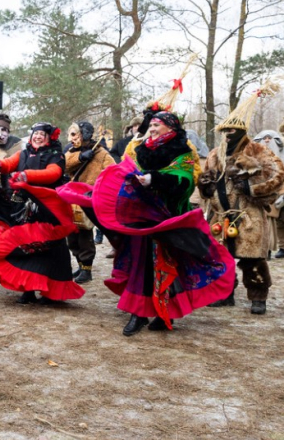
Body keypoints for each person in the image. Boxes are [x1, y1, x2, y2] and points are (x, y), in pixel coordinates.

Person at [79, 111, 235, 335]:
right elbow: (125, 171)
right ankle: (139, 313)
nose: (151, 129)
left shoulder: (183, 151)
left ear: (171, 129)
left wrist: (155, 179)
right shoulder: (141, 149)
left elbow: (185, 181)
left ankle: (166, 313)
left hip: (167, 218)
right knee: (140, 265)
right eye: (151, 125)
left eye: (157, 125)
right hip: (139, 217)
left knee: (166, 265)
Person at [198, 86, 284, 315]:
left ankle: (258, 297)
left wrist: (251, 186)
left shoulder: (256, 149)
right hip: (220, 215)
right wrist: (205, 185)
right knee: (220, 258)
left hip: (249, 214)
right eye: (224, 129)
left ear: (240, 130)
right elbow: (206, 179)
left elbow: (278, 174)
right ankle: (225, 294)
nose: (227, 133)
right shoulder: (215, 153)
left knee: (252, 259)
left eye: (231, 129)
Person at [0, 122, 81, 304]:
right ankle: (27, 288)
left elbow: (54, 173)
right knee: (24, 246)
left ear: (49, 138)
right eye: (35, 134)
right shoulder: (23, 152)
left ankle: (52, 292)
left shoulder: (55, 155)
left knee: (50, 247)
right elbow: (9, 164)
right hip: (24, 208)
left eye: (42, 134)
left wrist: (27, 176)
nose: (37, 137)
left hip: (46, 209)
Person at [64, 121, 114, 283]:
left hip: (88, 199)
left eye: (74, 134)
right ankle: (80, 265)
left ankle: (87, 269)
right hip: (70, 198)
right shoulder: (70, 151)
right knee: (72, 236)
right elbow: (64, 165)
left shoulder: (101, 153)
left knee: (85, 235)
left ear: (83, 135)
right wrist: (80, 157)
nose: (70, 138)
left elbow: (112, 171)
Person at [251, 129, 284, 258]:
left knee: (280, 222)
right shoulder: (253, 156)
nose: (267, 140)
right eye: (264, 138)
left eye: (270, 138)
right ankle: (266, 249)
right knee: (263, 222)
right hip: (261, 193)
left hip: (280, 193)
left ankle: (281, 247)